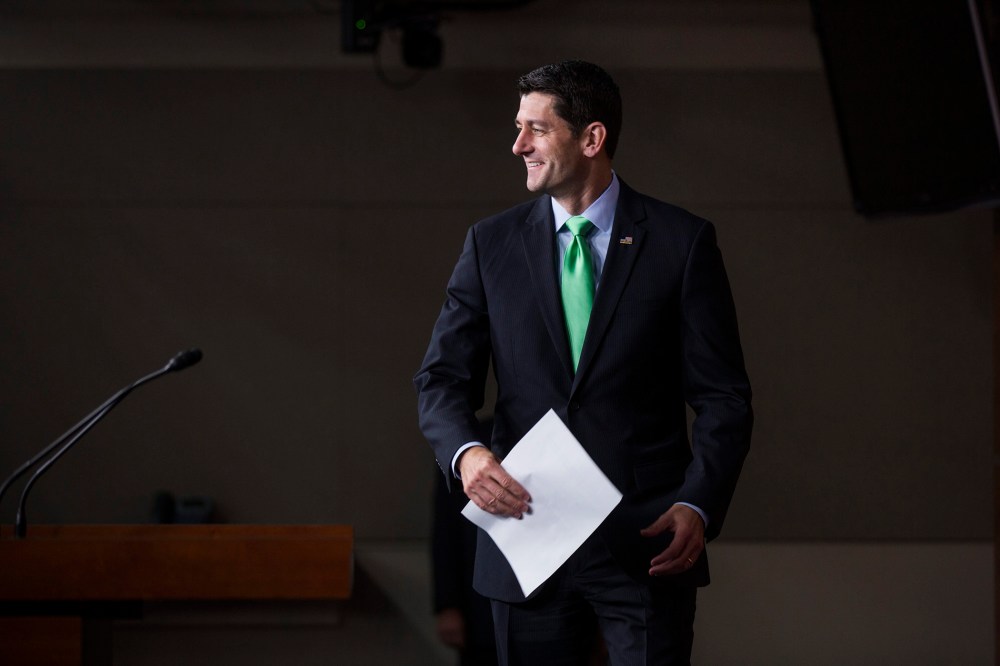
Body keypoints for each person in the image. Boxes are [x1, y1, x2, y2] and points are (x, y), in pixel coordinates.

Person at [414, 60, 753, 666]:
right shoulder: (489, 245)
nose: (517, 145)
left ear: (591, 139)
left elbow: (724, 397)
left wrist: (700, 502)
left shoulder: (682, 242)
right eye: (518, 127)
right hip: (527, 537)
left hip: (648, 542)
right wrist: (467, 456)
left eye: (536, 130)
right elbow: (441, 379)